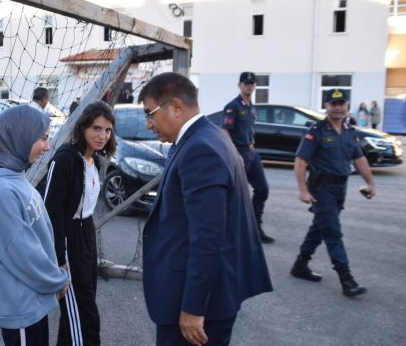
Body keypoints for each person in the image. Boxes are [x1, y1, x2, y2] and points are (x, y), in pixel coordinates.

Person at [139, 72, 272, 346]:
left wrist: (193, 307)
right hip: (209, 294)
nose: (148, 124)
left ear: (176, 106)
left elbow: (208, 238)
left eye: (150, 114)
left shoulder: (200, 149)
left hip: (199, 305)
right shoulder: (208, 137)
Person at [0, 104, 69, 346]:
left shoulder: (15, 175)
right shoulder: (0, 190)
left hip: (33, 297)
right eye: (43, 138)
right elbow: (21, 252)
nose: (47, 146)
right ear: (20, 137)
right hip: (20, 304)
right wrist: (56, 279)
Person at [42, 101, 117, 346]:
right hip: (69, 239)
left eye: (107, 130)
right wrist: (59, 257)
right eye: (96, 128)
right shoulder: (65, 159)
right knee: (83, 313)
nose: (102, 136)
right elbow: (51, 209)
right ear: (83, 127)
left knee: (82, 305)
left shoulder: (94, 160)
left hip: (87, 235)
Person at [290, 89, 376, 297]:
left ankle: (300, 265)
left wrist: (370, 183)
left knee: (320, 228)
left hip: (340, 189)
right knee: (333, 232)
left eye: (341, 104)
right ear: (326, 106)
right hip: (321, 189)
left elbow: (359, 159)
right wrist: (303, 190)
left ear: (347, 106)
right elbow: (300, 162)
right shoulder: (317, 131)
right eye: (333, 104)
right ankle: (346, 279)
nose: (337, 108)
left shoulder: (349, 131)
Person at [221, 71, 274, 243]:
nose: (249, 86)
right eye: (246, 84)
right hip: (238, 152)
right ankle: (232, 232)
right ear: (240, 86)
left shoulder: (251, 107)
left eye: (252, 83)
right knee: (237, 194)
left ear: (255, 86)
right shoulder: (233, 106)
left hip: (251, 152)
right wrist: (234, 154)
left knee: (262, 190)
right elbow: (225, 131)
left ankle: (255, 228)